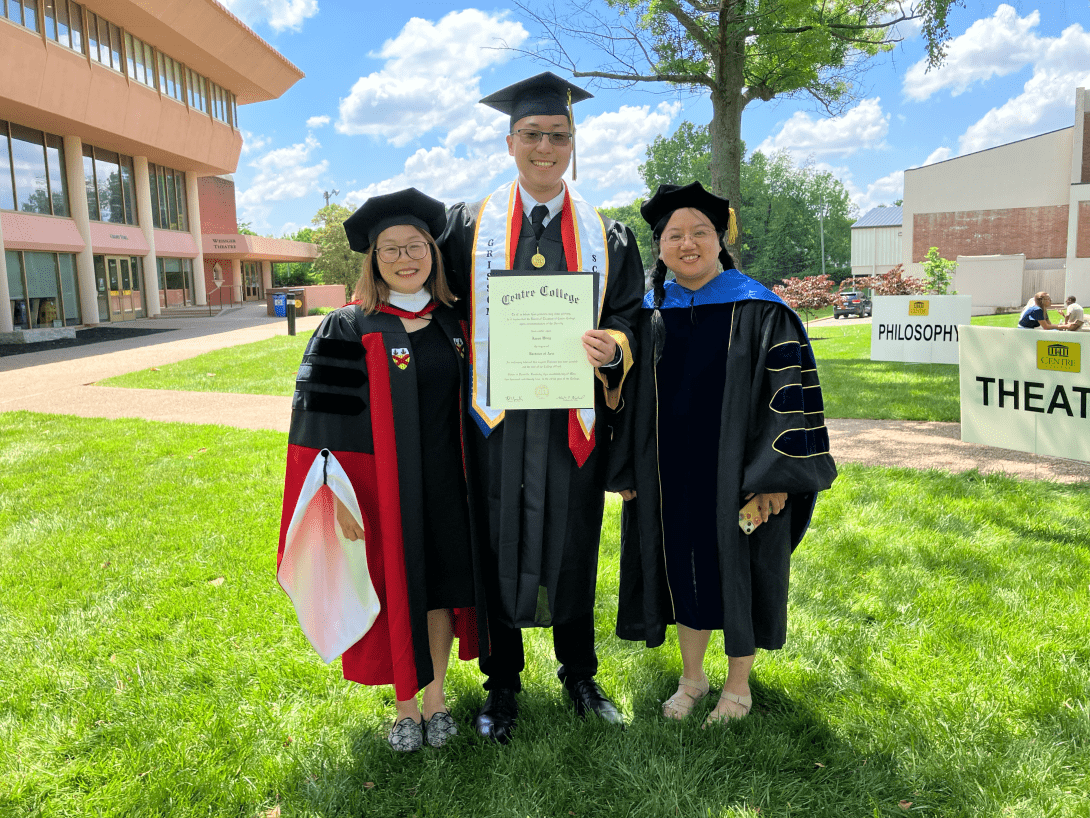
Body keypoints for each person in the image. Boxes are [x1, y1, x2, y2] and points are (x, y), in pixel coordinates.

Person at [439, 72, 644, 742]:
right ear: (510, 142)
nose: (545, 146)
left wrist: (612, 346)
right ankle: (501, 685)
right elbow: (440, 311)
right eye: (533, 134)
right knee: (494, 542)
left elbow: (630, 318)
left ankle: (579, 673)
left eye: (558, 135)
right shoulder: (465, 229)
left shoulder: (608, 236)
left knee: (573, 543)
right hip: (492, 425)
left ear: (573, 143)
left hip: (569, 425)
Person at [612, 182, 837, 725]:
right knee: (680, 565)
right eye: (674, 235)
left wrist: (775, 476)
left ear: (720, 240)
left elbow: (791, 399)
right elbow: (628, 396)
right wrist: (627, 466)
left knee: (737, 568)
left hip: (740, 474)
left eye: (700, 233)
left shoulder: (762, 310)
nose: (687, 244)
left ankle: (739, 686)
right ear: (659, 245)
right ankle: (693, 677)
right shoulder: (646, 313)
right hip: (669, 472)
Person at [277, 188, 487, 752]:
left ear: (433, 253)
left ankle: (437, 698)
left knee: (440, 589)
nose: (405, 258)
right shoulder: (346, 328)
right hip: (382, 489)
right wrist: (335, 500)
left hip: (449, 484)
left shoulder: (457, 324)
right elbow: (320, 428)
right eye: (390, 249)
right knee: (398, 589)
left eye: (416, 246)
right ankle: (404, 707)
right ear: (372, 260)